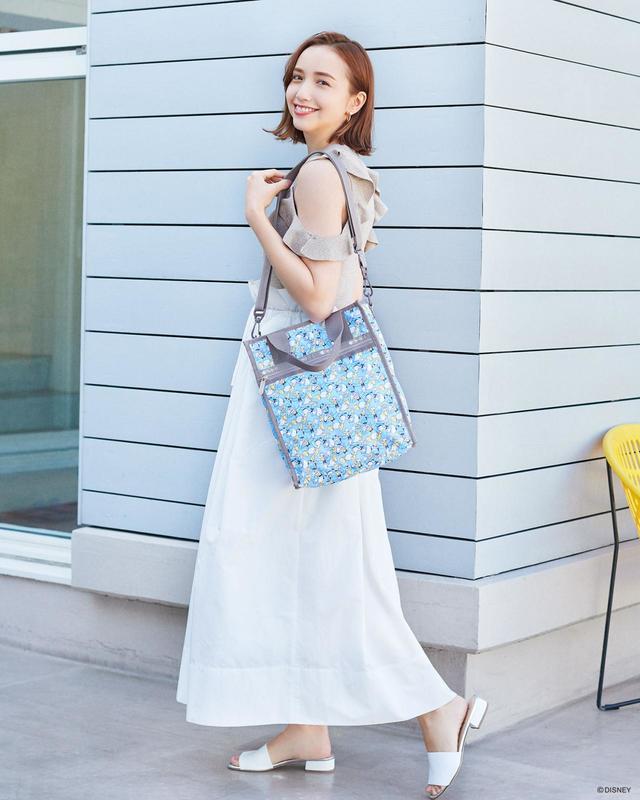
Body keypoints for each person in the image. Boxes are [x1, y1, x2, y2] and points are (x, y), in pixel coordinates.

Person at [175, 30, 487, 798]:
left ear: (355, 101)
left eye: (323, 81)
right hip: (312, 389)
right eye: (296, 76)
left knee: (314, 562)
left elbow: (320, 299)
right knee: (308, 560)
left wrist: (256, 217)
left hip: (295, 386)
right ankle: (306, 728)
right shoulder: (343, 168)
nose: (301, 91)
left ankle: (438, 708)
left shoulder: (319, 172)